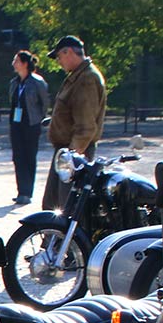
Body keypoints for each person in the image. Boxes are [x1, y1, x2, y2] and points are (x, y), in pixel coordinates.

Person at [42, 34, 107, 210]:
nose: (58, 62)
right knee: (52, 206)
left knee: (66, 210)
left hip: (74, 155)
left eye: (59, 57)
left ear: (69, 52)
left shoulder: (86, 78)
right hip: (66, 152)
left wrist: (70, 160)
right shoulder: (78, 75)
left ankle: (66, 238)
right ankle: (54, 238)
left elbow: (86, 127)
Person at [7, 50, 50, 205]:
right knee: (18, 157)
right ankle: (21, 191)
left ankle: (27, 192)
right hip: (16, 125)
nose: (14, 63)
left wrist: (40, 119)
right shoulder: (15, 83)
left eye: (16, 60)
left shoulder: (37, 82)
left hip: (31, 124)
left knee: (29, 157)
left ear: (25, 63)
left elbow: (45, 102)